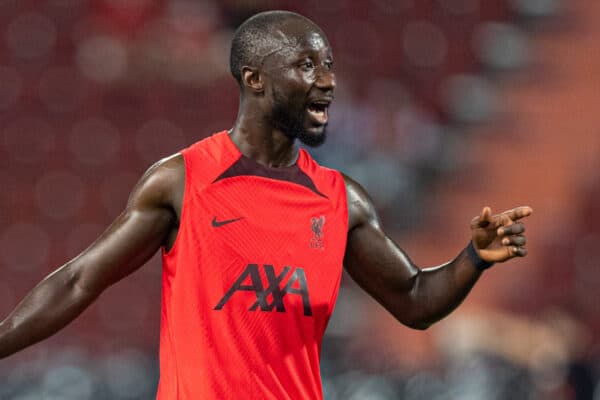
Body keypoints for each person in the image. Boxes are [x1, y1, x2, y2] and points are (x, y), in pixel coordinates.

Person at [0, 10, 532, 399]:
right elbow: (78, 281)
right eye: (306, 66)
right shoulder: (183, 180)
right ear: (255, 79)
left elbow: (414, 300)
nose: (328, 80)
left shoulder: (341, 198)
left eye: (328, 65)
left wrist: (473, 259)